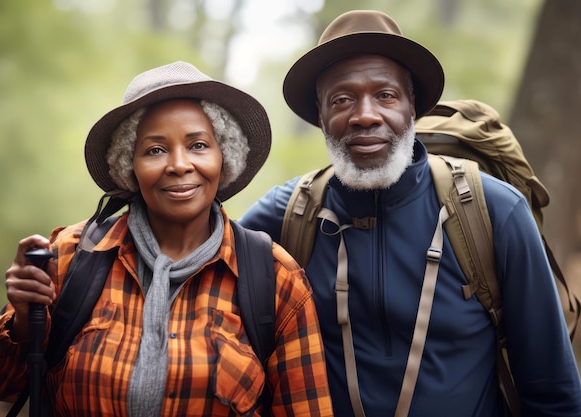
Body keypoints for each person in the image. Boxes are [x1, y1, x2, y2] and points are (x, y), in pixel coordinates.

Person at [239, 9, 581, 417]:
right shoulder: (285, 216)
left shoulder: (495, 212)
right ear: (320, 113)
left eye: (385, 95)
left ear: (412, 104)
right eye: (342, 99)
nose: (365, 115)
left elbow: (553, 392)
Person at [0, 61, 334, 417]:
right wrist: (25, 322)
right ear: (129, 167)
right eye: (155, 150)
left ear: (225, 158)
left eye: (198, 145)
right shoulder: (71, 256)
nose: (178, 164)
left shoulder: (274, 277)